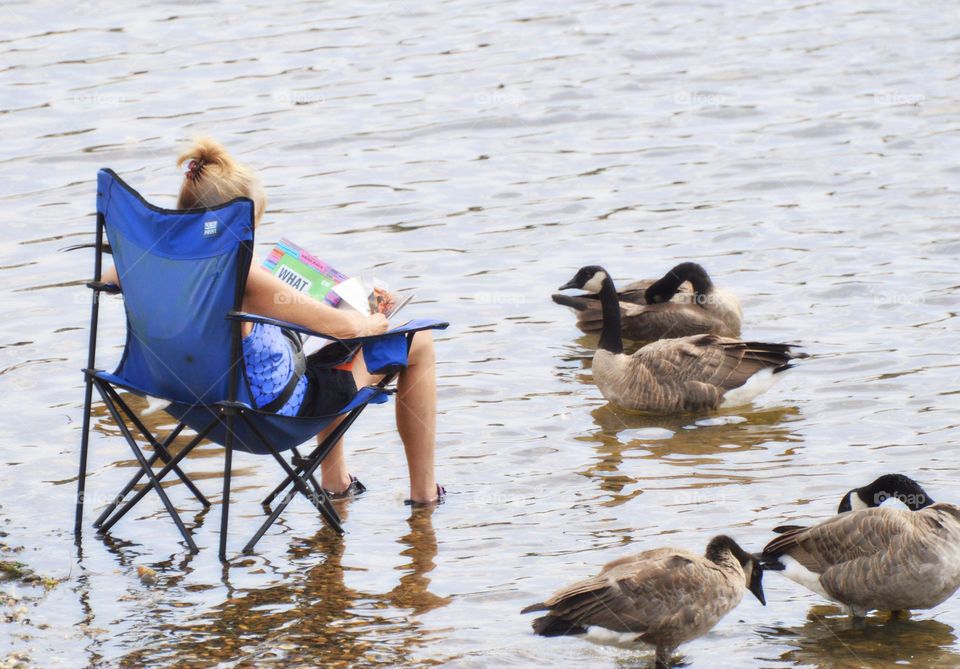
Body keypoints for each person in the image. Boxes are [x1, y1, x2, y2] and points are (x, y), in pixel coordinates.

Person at [101, 138, 442, 505]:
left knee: (329, 352)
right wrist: (372, 322)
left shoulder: (155, 265)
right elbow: (343, 329)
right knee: (417, 341)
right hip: (269, 418)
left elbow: (108, 277)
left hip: (191, 404)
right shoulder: (243, 275)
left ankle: (338, 484)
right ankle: (423, 495)